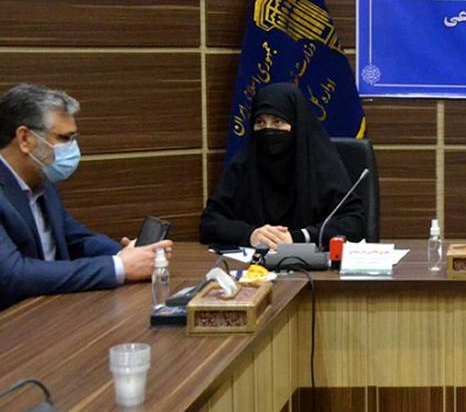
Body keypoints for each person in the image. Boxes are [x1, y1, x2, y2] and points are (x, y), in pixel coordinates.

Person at [0, 84, 170, 311]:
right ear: (24, 138)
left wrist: (128, 254)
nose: (72, 148)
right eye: (64, 138)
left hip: (49, 311)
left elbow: (77, 239)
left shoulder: (43, 184)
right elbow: (13, 274)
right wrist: (119, 266)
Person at [200, 83, 364, 249]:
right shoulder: (243, 165)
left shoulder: (322, 165)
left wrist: (298, 237)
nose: (268, 130)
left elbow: (353, 223)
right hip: (253, 262)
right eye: (260, 122)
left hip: (316, 261)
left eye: (278, 122)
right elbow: (210, 222)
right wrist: (250, 235)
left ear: (297, 124)